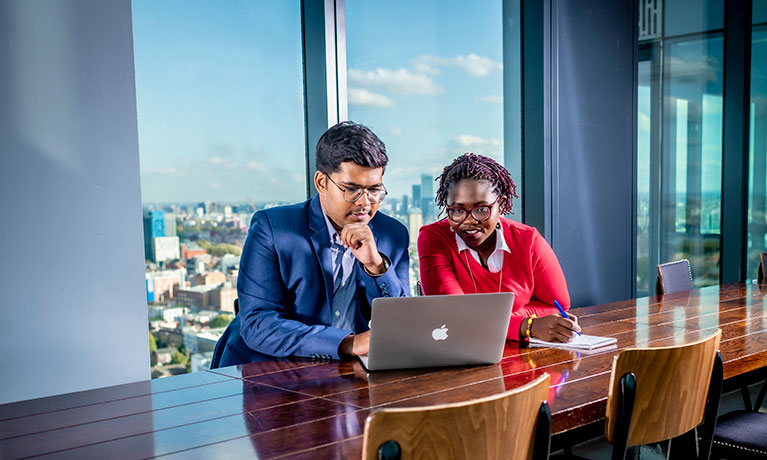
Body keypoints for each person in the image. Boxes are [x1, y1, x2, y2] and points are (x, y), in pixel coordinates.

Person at [211, 122, 410, 368]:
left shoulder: (393, 234)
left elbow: (402, 323)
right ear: (321, 182)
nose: (365, 203)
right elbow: (258, 324)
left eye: (374, 190)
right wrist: (348, 343)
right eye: (351, 189)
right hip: (267, 372)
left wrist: (376, 265)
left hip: (347, 374)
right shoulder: (272, 229)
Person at [417, 153, 580, 342]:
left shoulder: (528, 240)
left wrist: (488, 320)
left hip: (519, 356)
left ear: (501, 205)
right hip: (462, 350)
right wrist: (526, 325)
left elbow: (558, 307)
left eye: (481, 209)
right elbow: (455, 315)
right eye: (458, 211)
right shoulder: (433, 238)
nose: (469, 221)